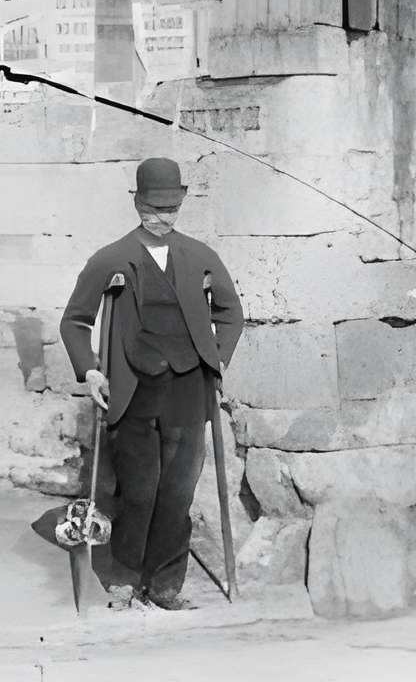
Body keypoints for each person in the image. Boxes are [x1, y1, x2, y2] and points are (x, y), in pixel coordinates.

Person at [60, 157, 243, 611]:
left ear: (181, 205)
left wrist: (216, 361)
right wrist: (92, 370)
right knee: (138, 491)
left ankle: (164, 586)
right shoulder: (110, 258)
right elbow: (75, 322)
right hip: (134, 390)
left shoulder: (200, 256)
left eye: (171, 209)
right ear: (137, 203)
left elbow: (231, 313)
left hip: (187, 389)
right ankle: (124, 578)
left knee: (178, 491)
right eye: (153, 208)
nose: (162, 218)